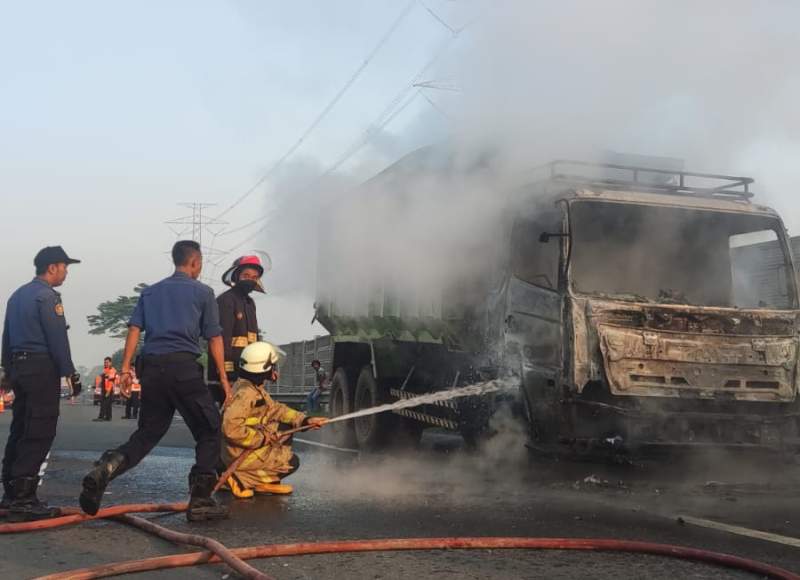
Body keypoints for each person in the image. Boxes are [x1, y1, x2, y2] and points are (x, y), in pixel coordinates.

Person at [79, 240, 232, 522]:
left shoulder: (150, 293)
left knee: (147, 434)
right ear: (195, 262)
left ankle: (106, 468)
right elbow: (214, 337)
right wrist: (223, 378)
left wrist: (125, 369)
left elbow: (135, 330)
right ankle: (200, 499)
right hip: (183, 368)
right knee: (209, 428)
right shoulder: (204, 292)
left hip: (151, 369)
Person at [1, 246, 80, 520]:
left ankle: (10, 494)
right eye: (65, 267)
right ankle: (23, 498)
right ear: (52, 267)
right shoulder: (47, 297)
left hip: (19, 366)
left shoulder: (17, 296)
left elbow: (6, 337)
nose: (66, 272)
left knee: (21, 427)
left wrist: (8, 371)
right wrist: (70, 372)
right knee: (40, 429)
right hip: (40, 367)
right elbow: (57, 337)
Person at [222, 342, 325, 498]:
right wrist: (263, 438)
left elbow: (277, 410)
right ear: (263, 368)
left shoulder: (252, 389)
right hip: (240, 454)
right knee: (290, 463)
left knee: (285, 427)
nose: (275, 369)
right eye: (272, 365)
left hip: (241, 450)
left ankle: (264, 482)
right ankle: (238, 479)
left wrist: (305, 421)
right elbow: (231, 429)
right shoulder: (245, 394)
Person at [207, 255, 265, 406]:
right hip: (229, 375)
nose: (250, 280)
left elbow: (255, 341)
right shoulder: (226, 300)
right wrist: (226, 375)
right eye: (246, 275)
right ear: (236, 276)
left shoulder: (250, 303)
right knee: (229, 419)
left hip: (247, 374)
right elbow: (222, 340)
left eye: (254, 277)